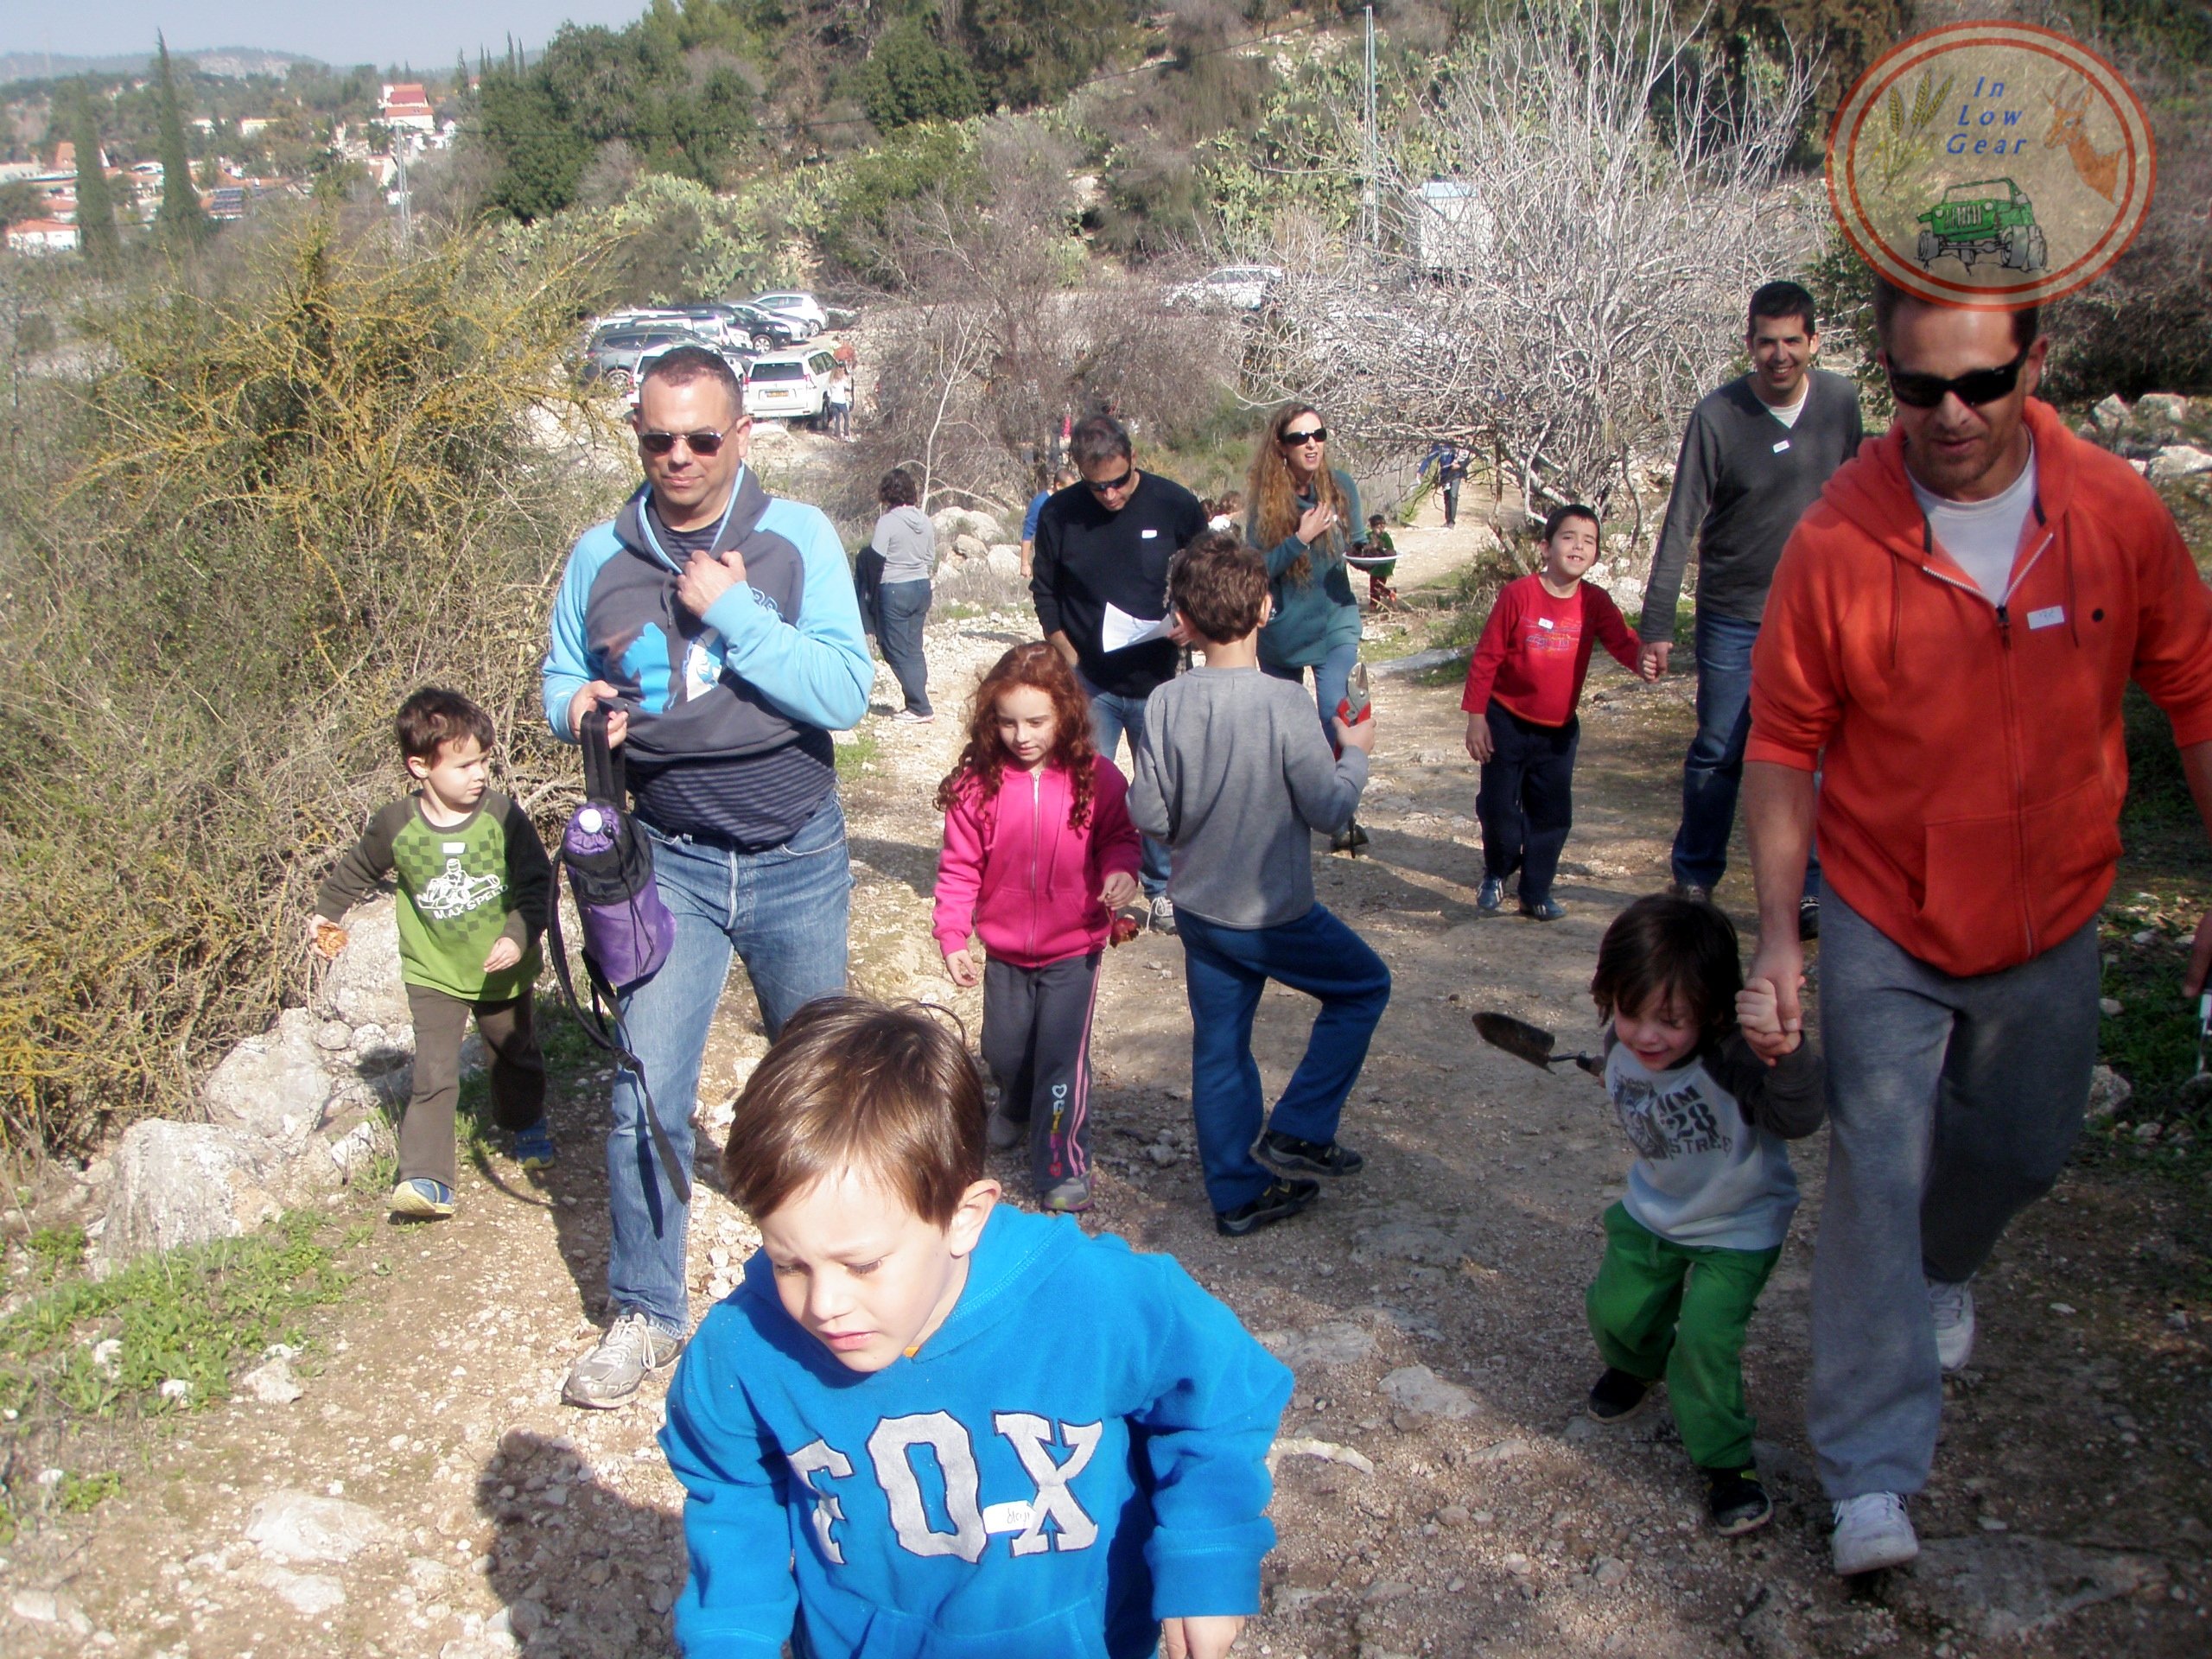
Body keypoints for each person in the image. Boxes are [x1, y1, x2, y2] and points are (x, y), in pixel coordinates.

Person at [1743, 281, 2212, 1576]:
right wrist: (1783, 939)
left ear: (2033, 365)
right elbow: (1783, 747)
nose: (1947, 415)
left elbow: (2196, 685)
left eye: (1979, 385)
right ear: (1884, 378)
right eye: (1915, 389)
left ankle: (1949, 1265)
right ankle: (1870, 1478)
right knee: (1877, 1188)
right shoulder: (1840, 540)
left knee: (2023, 1152)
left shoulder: (2114, 512)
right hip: (1889, 913)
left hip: (2056, 915)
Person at [658, 997, 1293, 1659]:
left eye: (864, 1264)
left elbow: (1223, 1397)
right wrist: (732, 1632)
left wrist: (1209, 1552)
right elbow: (731, 1487)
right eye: (788, 1262)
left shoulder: (1092, 1298)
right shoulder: (745, 1345)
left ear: (965, 1216)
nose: (824, 1304)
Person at [542, 345, 874, 1410]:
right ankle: (646, 1309)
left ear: (742, 436)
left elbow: (844, 692)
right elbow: (557, 678)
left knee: (826, 1098)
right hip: (668, 864)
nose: (676, 457)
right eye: (655, 439)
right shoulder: (599, 552)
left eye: (698, 437)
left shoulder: (797, 539)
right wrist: (576, 710)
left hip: (796, 857)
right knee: (645, 1094)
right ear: (636, 437)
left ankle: (854, 1294)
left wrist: (734, 613)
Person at [1130, 531, 1390, 1238]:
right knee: (1364, 987)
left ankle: (1238, 1195)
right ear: (1266, 607)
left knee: (1219, 1046)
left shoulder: (1162, 703)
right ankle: (1301, 1128)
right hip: (1274, 913)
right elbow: (1329, 808)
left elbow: (1150, 814)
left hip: (1199, 911)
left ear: (1182, 617)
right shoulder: (1284, 704)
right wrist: (1356, 755)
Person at [1581, 894, 1825, 1537]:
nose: (1645, 1035)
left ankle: (1726, 1464)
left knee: (1705, 1344)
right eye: (1630, 1012)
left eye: (1671, 1020)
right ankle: (1637, 1363)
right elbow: (1631, 1066)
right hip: (1655, 1209)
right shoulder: (1620, 1040)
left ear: (1714, 1012)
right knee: (1615, 1312)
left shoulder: (1734, 1055)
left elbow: (1798, 1119)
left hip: (1738, 1227)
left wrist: (1787, 1053)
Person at [1638, 281, 1865, 937]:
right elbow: (1681, 522)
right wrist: (1656, 628)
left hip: (1822, 613)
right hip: (1734, 611)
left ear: (1813, 342)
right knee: (1719, 747)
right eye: (1766, 341)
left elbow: (1864, 497)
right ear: (1749, 343)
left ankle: (1813, 889)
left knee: (1819, 753)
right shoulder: (1718, 416)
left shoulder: (1841, 402)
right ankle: (1695, 876)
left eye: (1792, 340)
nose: (1778, 354)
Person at [312, 688, 554, 1219]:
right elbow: (357, 868)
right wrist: (327, 913)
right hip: (433, 969)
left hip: (501, 970)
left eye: (483, 762)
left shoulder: (503, 818)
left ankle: (524, 1122)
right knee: (433, 1072)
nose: (479, 774)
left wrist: (517, 935)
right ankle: (426, 1180)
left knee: (513, 1054)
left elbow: (538, 883)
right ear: (419, 766)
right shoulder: (396, 824)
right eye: (464, 764)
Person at [933, 643, 1143, 1213]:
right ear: (990, 721)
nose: (1021, 735)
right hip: (1004, 951)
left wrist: (1121, 872)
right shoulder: (977, 786)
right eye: (1007, 722)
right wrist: (953, 935)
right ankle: (1014, 1104)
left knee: (1060, 1058)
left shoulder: (1096, 779)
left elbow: (1121, 839)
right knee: (1003, 1051)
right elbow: (958, 867)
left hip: (1074, 947)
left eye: (1036, 722)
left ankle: (1060, 1160)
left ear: (1066, 716)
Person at [1030, 414, 1207, 931]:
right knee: (1088, 787)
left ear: (1133, 459)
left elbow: (1207, 575)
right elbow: (1046, 591)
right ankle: (1094, 886)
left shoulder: (1175, 504)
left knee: (1160, 785)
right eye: (1096, 486)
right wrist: (1066, 654)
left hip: (1160, 675)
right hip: (1091, 679)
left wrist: (1191, 623)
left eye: (1118, 482)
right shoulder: (1060, 514)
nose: (1109, 496)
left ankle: (1162, 887)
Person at [1460, 505, 1643, 920]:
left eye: (1589, 541)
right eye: (1568, 537)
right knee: (1498, 809)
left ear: (1596, 554)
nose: (1578, 546)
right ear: (1545, 547)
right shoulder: (1518, 595)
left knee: (1552, 814)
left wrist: (1645, 660)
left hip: (1558, 732)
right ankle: (1496, 871)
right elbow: (1487, 657)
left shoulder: (1595, 602)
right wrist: (1476, 717)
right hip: (1505, 720)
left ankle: (1536, 891)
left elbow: (1623, 643)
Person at [1244, 403, 1370, 854]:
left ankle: (1340, 813)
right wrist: (1300, 537)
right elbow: (1255, 570)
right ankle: (1291, 811)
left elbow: (1360, 546)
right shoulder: (1266, 503)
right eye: (1300, 438)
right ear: (1281, 447)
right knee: (1288, 726)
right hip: (1282, 632)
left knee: (1334, 714)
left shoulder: (1341, 489)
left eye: (1318, 434)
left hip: (1335, 619)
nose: (1312, 443)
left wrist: (1374, 557)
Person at [868, 467, 937, 724]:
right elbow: (930, 557)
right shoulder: (924, 520)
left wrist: (870, 592)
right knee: (913, 647)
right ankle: (917, 701)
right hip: (921, 586)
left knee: (893, 648)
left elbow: (875, 558)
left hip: (895, 588)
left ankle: (920, 705)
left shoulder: (888, 521)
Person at [1020, 467, 1075, 580]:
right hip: (1047, 562)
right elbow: (1028, 532)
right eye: (1070, 488)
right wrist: (1025, 564)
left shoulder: (1068, 501)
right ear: (1059, 485)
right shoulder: (1040, 503)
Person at [1355, 511, 1399, 610]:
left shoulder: (1385, 537)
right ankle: (1389, 593)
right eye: (1378, 527)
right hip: (1374, 566)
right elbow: (1363, 546)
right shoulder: (1369, 535)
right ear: (1372, 527)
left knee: (1374, 587)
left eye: (1383, 526)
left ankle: (1373, 605)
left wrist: (1381, 548)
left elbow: (1391, 551)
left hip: (1383, 566)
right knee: (1377, 586)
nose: (1381, 529)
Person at [1421, 440, 1466, 526]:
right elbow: (1429, 457)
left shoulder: (1459, 445)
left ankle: (1452, 521)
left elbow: (1465, 458)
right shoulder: (1440, 446)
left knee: (1453, 495)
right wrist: (1421, 470)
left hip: (1456, 474)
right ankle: (1448, 519)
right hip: (1445, 475)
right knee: (1447, 497)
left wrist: (1460, 466)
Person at [823, 363, 854, 441]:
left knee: (837, 419)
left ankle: (838, 436)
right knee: (846, 417)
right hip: (841, 402)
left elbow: (829, 393)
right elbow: (848, 387)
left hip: (834, 402)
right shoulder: (841, 381)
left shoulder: (831, 382)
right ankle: (846, 435)